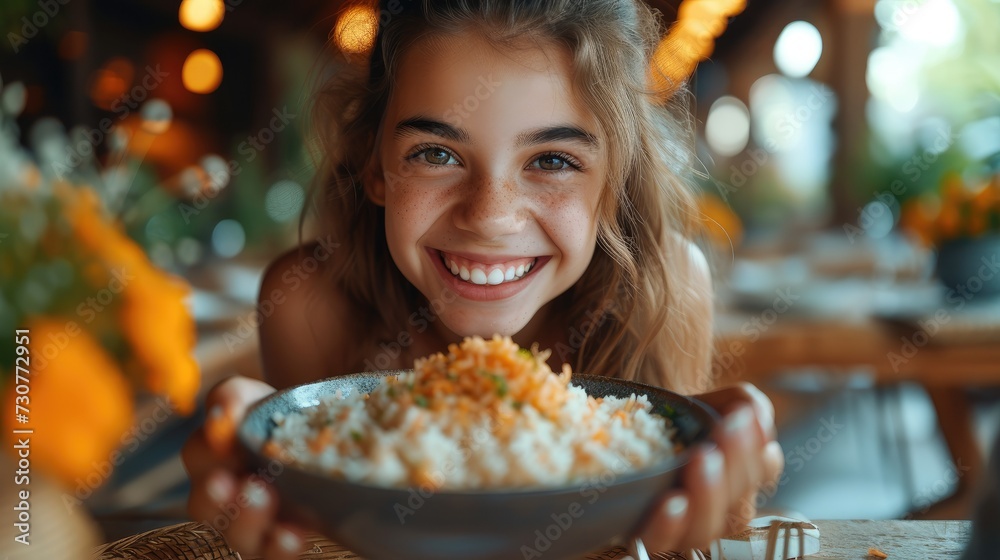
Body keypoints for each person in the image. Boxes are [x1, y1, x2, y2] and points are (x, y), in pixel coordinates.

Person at [182, 1, 784, 558]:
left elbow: (667, 539)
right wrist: (265, 464)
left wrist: (715, 487)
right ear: (375, 167)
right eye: (436, 153)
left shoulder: (669, 284)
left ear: (616, 184)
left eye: (552, 161)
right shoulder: (309, 303)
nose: (491, 217)